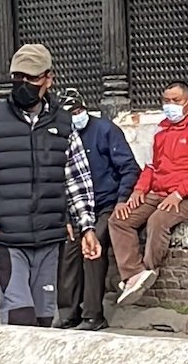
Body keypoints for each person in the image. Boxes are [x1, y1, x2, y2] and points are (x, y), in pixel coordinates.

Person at [0, 43, 101, 327]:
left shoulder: (63, 123)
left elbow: (77, 178)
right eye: (18, 78)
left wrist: (87, 226)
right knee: (19, 315)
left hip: (49, 236)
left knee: (44, 316)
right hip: (7, 238)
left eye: (32, 78)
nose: (24, 84)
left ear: (49, 78)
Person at [109, 80, 188, 305]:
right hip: (158, 191)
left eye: (176, 101)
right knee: (119, 220)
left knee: (158, 220)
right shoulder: (161, 129)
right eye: (166, 101)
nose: (170, 105)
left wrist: (179, 194)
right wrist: (139, 190)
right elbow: (151, 167)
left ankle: (149, 270)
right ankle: (133, 274)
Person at [57, 88, 141, 331]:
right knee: (68, 249)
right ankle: (67, 313)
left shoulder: (105, 130)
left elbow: (128, 168)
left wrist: (122, 199)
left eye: (79, 110)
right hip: (77, 207)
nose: (77, 115)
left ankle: (93, 314)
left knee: (93, 248)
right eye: (71, 113)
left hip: (106, 203)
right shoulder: (60, 137)